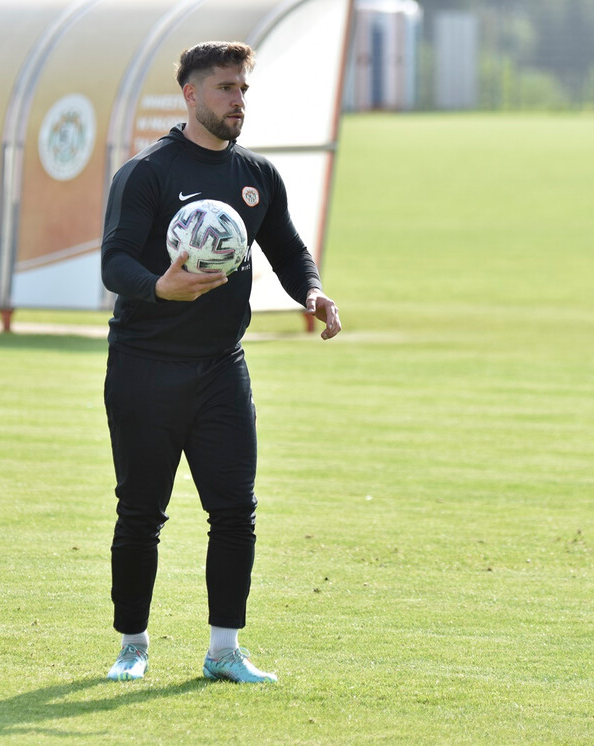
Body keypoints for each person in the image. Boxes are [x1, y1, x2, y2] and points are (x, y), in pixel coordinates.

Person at [100, 40, 342, 684]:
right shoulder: (147, 172)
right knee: (140, 513)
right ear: (191, 93)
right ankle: (132, 646)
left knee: (235, 510)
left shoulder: (258, 175)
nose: (238, 101)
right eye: (226, 89)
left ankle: (224, 651)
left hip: (219, 369)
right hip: (144, 368)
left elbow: (289, 252)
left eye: (243, 90)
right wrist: (160, 287)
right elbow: (115, 261)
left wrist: (312, 292)